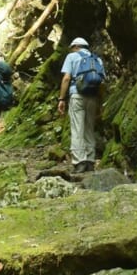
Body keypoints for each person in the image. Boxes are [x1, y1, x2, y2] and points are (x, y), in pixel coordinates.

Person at [57, 37, 100, 173]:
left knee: (77, 129)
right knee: (89, 129)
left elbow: (66, 78)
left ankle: (80, 162)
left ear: (75, 46)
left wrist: (61, 99)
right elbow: (102, 83)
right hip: (92, 97)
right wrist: (100, 103)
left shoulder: (72, 57)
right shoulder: (96, 59)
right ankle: (90, 161)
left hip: (77, 95)